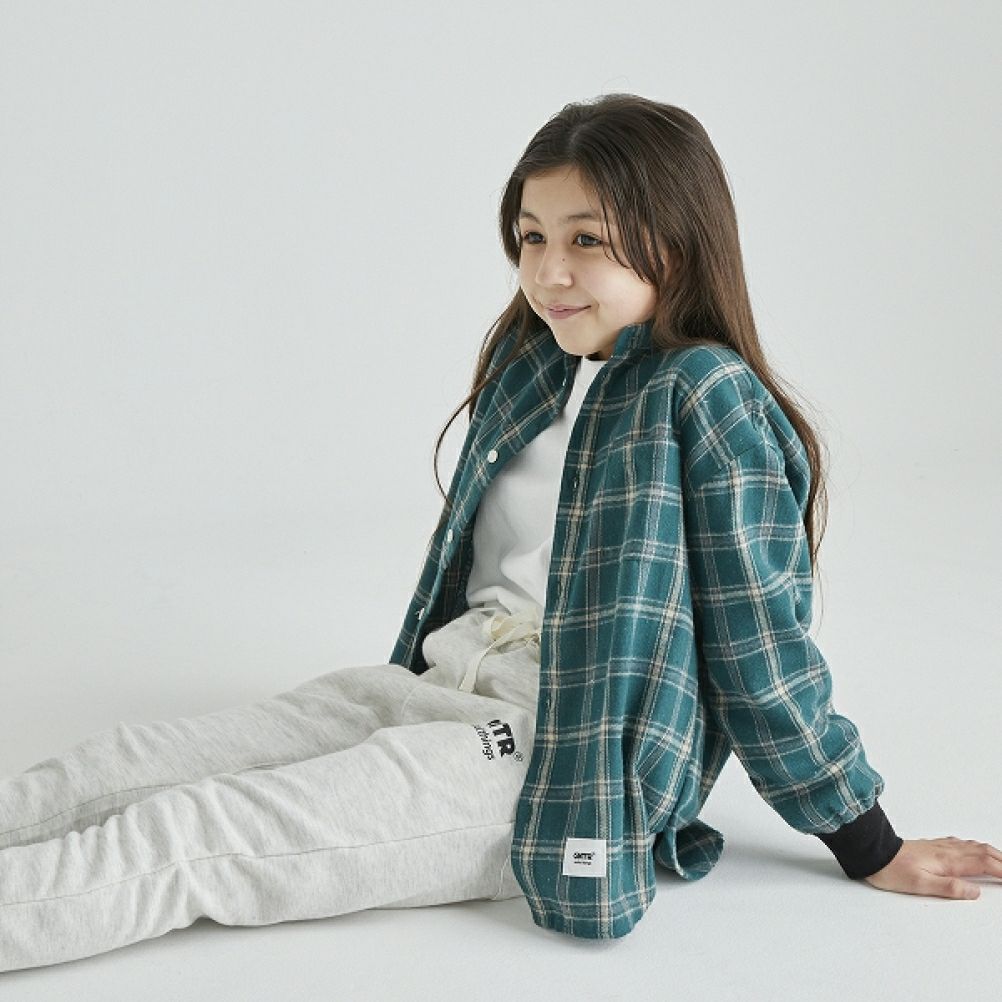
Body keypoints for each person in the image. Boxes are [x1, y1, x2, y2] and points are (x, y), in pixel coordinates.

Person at [1, 93, 998, 973]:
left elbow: (762, 651)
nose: (549, 272)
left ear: (677, 242)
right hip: (443, 679)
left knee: (196, 831)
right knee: (134, 760)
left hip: (560, 749)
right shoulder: (537, 367)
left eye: (587, 239)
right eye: (530, 237)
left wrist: (866, 840)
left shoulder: (707, 396)